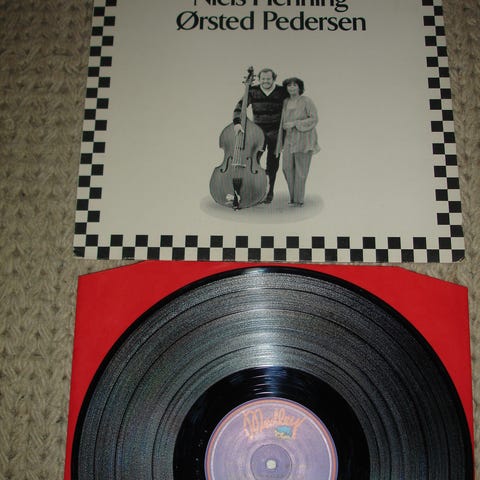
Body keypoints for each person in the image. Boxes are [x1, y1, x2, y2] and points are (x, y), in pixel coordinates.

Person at [233, 68, 287, 203]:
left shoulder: (282, 91)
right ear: (259, 79)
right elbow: (239, 107)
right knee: (253, 161)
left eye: (268, 79)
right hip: (257, 132)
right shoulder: (252, 91)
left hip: (276, 133)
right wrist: (237, 123)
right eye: (263, 79)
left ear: (274, 78)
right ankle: (251, 190)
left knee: (272, 165)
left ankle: (269, 193)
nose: (265, 81)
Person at [276, 77, 319, 206]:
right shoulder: (285, 102)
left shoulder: (306, 101)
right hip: (289, 139)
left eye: (295, 85)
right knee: (286, 168)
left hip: (303, 139)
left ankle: (298, 201)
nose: (292, 87)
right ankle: (293, 198)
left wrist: (295, 123)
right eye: (289, 85)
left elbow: (314, 119)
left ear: (300, 87)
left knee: (301, 171)